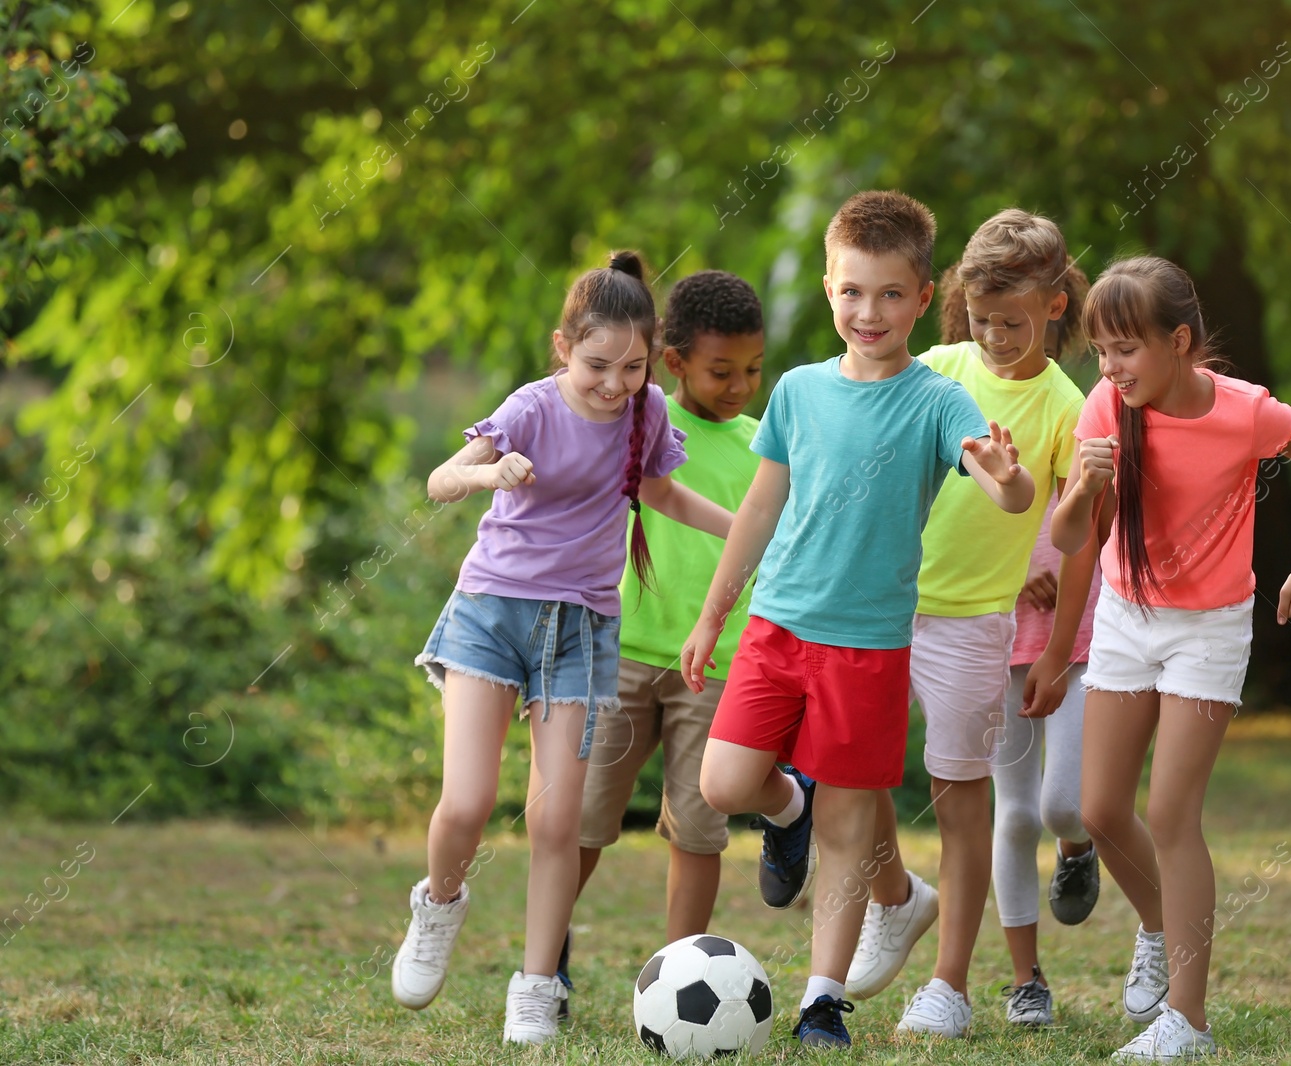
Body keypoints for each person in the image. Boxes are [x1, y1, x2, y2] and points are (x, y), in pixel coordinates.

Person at [682, 190, 1035, 1049]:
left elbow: (1003, 487)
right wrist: (711, 614)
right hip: (775, 628)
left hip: (868, 647)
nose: (866, 312)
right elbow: (761, 513)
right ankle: (788, 810)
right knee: (725, 786)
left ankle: (822, 999)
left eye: (887, 295)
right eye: (850, 291)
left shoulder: (937, 400)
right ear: (829, 286)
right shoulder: (799, 392)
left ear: (922, 300)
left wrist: (1009, 475)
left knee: (849, 824)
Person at [392, 252, 734, 1046]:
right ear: (562, 349)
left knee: (558, 823)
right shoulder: (532, 409)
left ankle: (536, 987)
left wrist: (748, 530)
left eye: (634, 367)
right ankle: (438, 903)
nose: (614, 385)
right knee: (470, 802)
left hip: (581, 629)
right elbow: (441, 479)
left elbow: (658, 491)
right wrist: (491, 474)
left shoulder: (647, 414)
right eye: (596, 366)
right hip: (492, 613)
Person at [1053, 255, 1291, 1060]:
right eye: (1101, 352)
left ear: (1179, 341)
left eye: (1125, 349)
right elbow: (1071, 537)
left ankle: (1187, 1019)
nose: (1110, 368)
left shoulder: (1245, 413)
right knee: (1102, 809)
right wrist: (1082, 488)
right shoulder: (1106, 409)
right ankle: (1158, 927)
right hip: (1125, 616)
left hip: (1209, 629)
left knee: (1172, 814)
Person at [842, 210, 1089, 1037]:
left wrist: (1056, 644)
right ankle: (892, 899)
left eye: (1012, 322)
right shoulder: (938, 367)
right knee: (855, 775)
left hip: (975, 627)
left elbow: (1072, 530)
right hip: (883, 609)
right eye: (980, 320)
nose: (992, 337)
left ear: (1055, 307)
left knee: (961, 800)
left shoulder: (1065, 405)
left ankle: (949, 985)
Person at [574, 269, 766, 957]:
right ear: (675, 362)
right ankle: (550, 956)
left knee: (698, 829)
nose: (740, 385)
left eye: (752, 369)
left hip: (715, 665)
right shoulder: (639, 416)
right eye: (722, 371)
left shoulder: (763, 445)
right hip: (622, 652)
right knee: (585, 820)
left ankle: (681, 969)